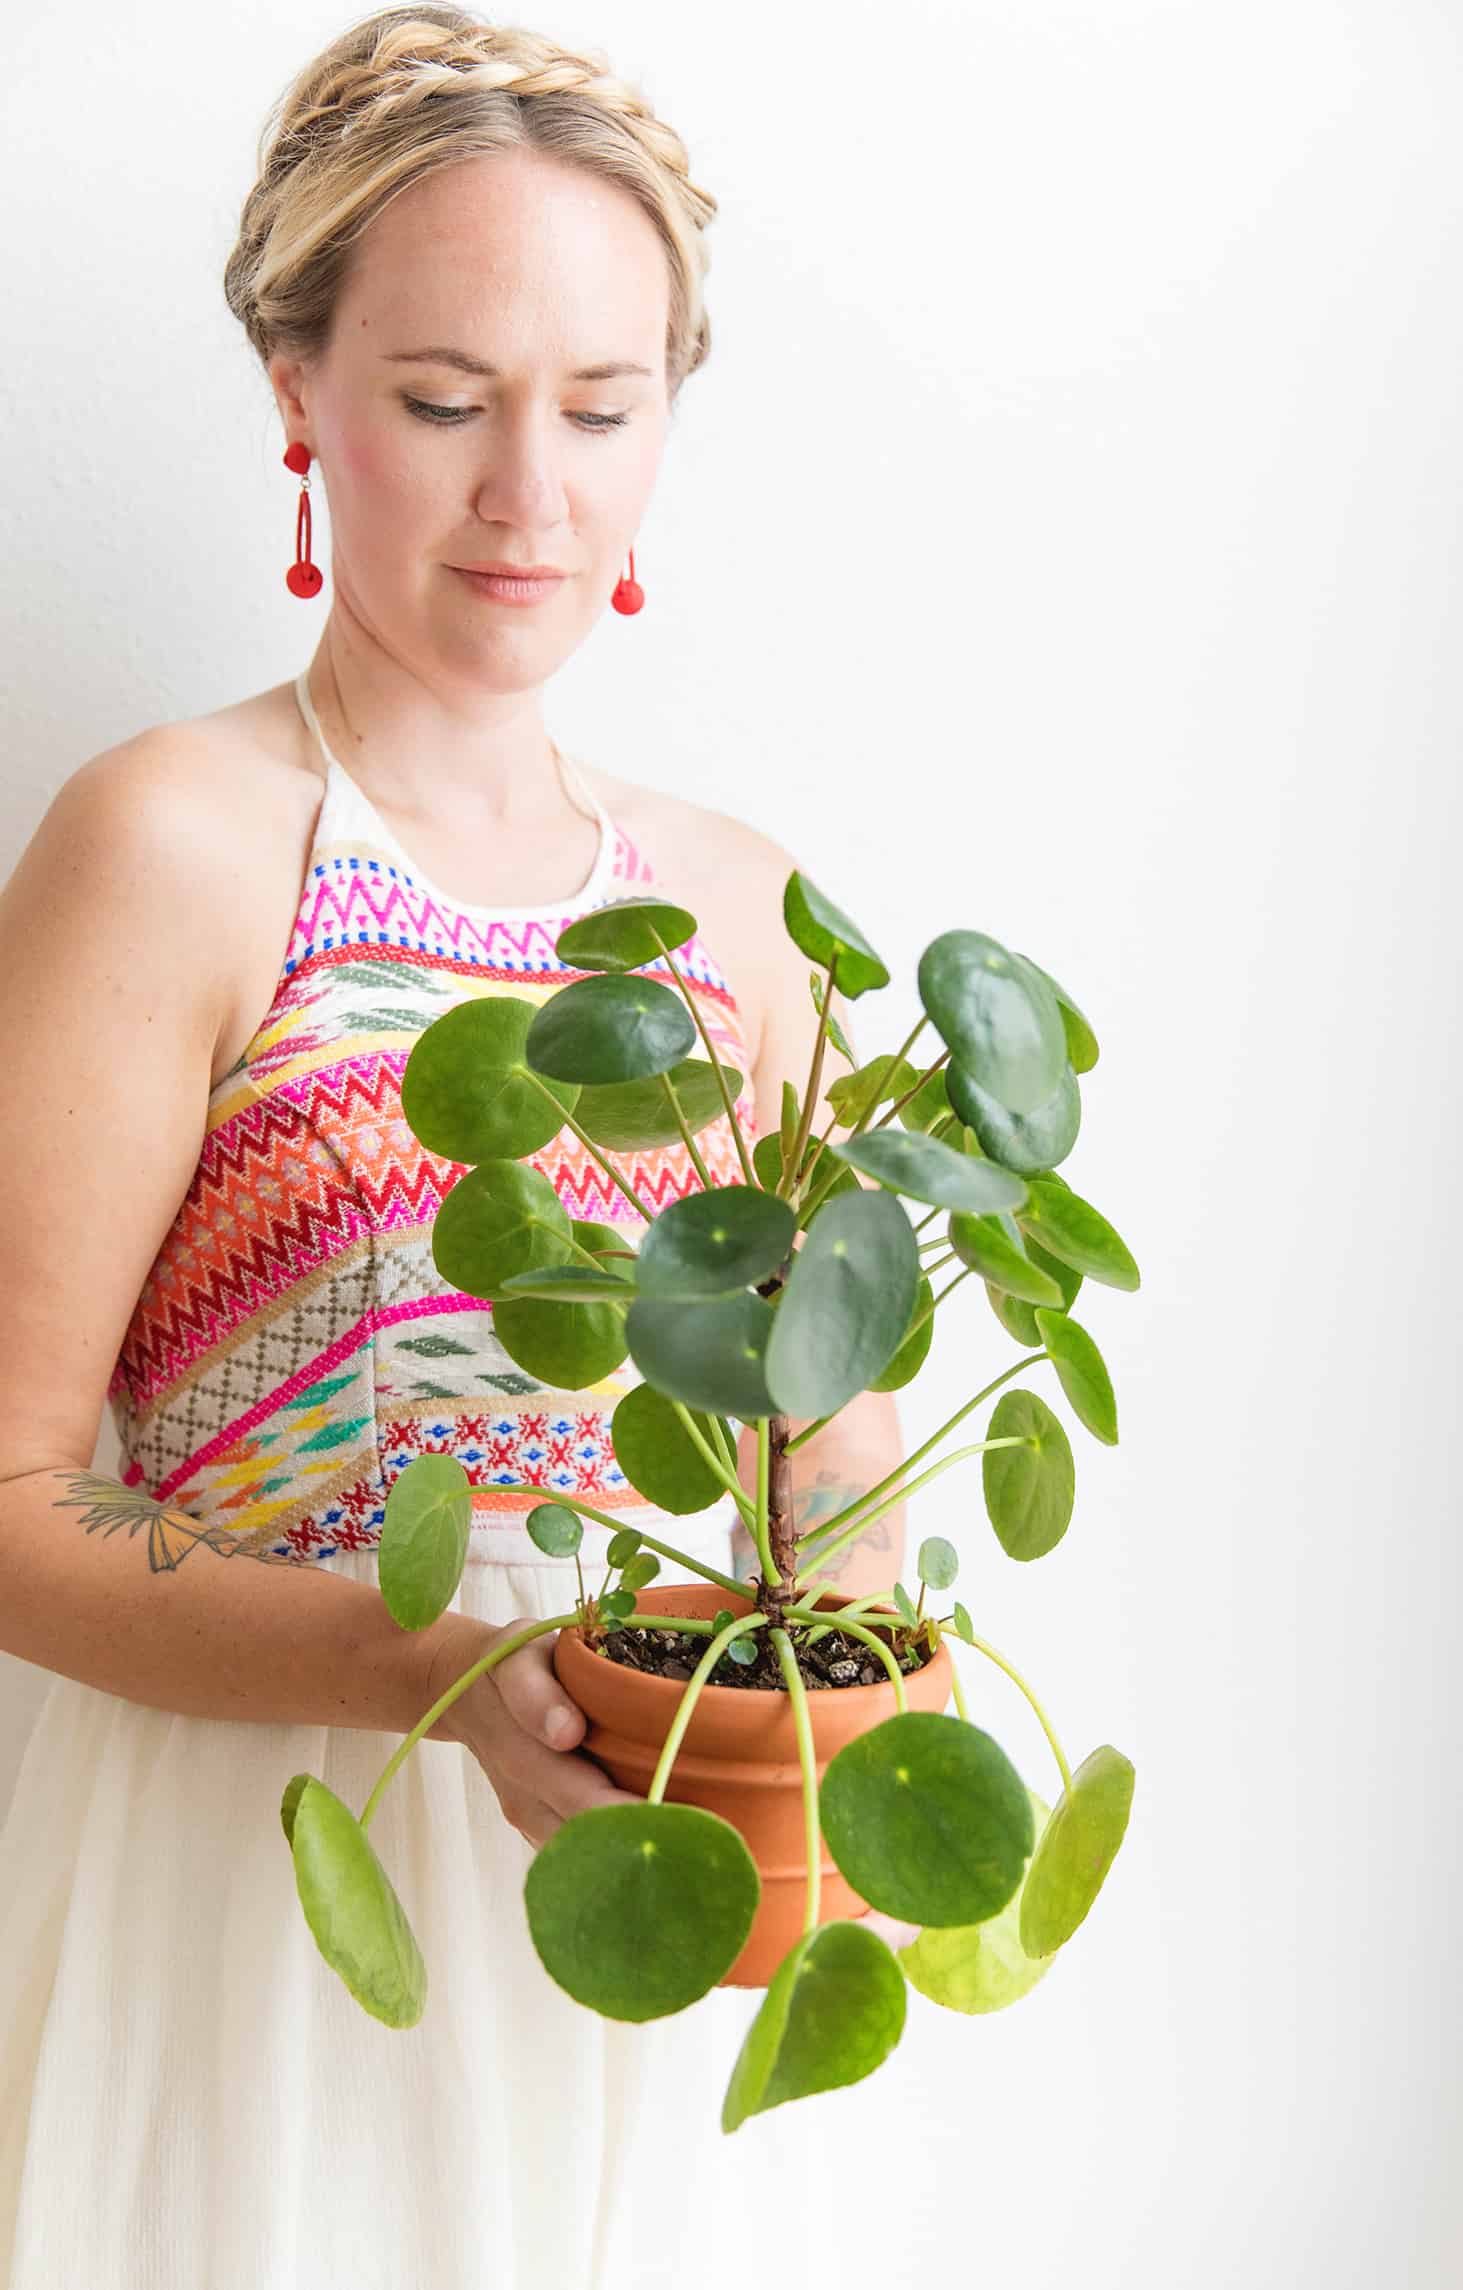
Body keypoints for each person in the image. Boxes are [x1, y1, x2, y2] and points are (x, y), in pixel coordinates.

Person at [0, 10, 915, 2284]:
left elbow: (846, 1503)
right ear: (296, 395)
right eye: (443, 400)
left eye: (604, 408)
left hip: (662, 1915)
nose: (534, 489)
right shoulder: (178, 842)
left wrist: (853, 1700)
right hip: (282, 1907)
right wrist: (417, 1665)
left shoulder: (736, 911)